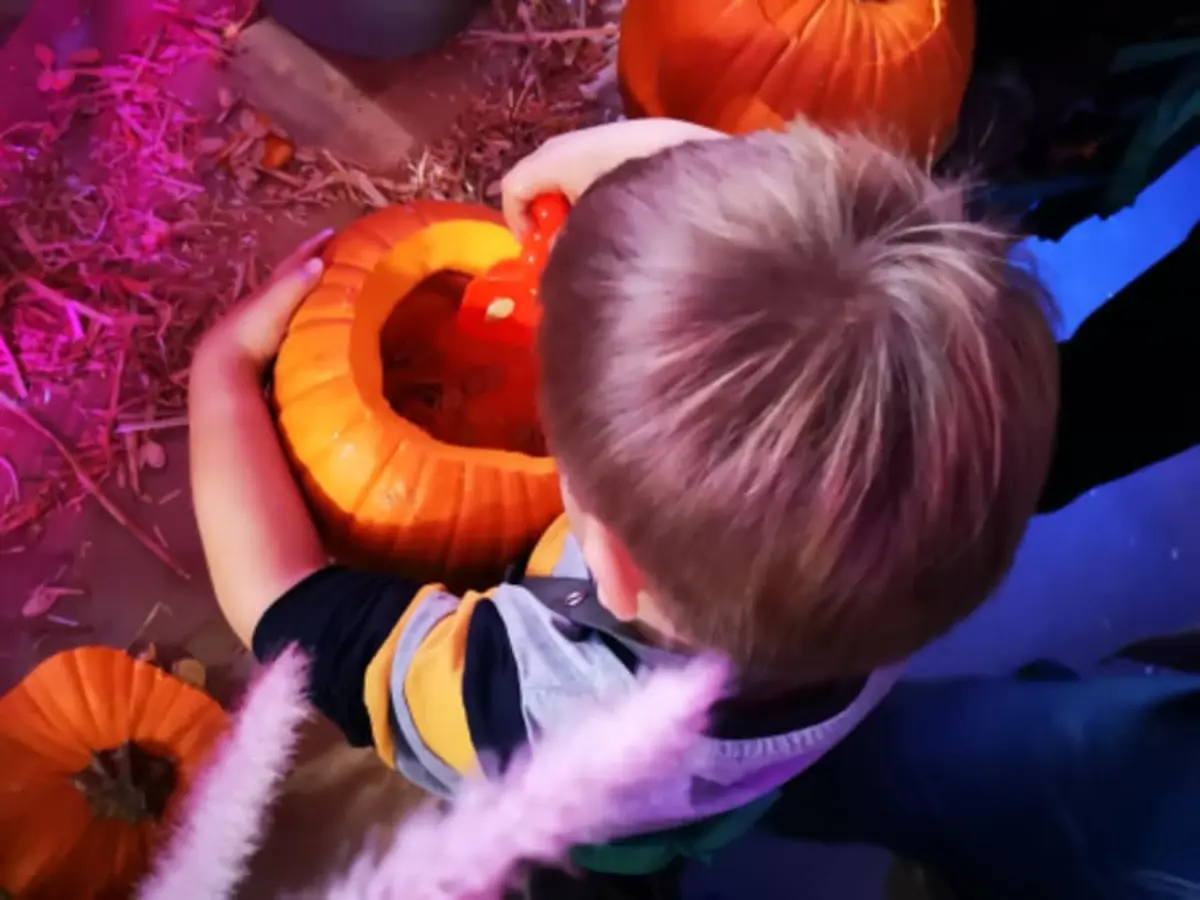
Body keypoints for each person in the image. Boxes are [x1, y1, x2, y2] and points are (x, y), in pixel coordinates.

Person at [188, 117, 1197, 897]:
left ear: (610, 562)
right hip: (773, 748)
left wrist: (221, 375)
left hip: (596, 826)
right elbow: (825, 288)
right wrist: (658, 184)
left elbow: (289, 615)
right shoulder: (909, 534)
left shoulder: (533, 704)